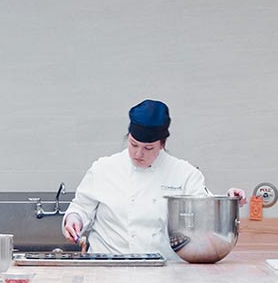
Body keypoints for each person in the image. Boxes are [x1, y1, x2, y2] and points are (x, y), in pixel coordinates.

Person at [62, 99, 244, 254]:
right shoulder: (104, 168)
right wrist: (74, 220)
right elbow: (81, 207)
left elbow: (206, 212)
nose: (138, 154)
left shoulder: (184, 173)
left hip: (163, 271)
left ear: (162, 144)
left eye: (148, 148)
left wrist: (230, 201)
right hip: (108, 265)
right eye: (133, 144)